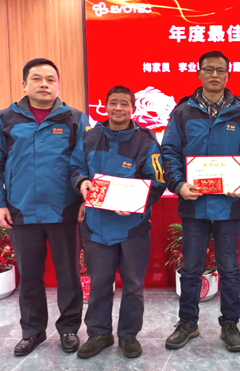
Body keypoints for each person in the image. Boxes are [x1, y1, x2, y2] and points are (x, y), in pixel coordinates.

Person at [0, 58, 89, 356]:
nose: (44, 84)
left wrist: (85, 200)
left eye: (50, 79)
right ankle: (32, 331)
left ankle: (68, 329)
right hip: (21, 211)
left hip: (64, 210)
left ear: (58, 85)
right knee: (29, 277)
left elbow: (86, 163)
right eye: (37, 79)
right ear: (24, 84)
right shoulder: (5, 119)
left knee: (69, 276)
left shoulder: (75, 119)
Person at [161, 51, 240, 352]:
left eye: (221, 70)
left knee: (229, 268)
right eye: (209, 69)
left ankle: (230, 323)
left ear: (228, 74)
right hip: (194, 204)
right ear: (199, 73)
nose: (215, 75)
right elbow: (169, 152)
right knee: (191, 268)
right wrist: (178, 184)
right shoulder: (182, 112)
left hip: (228, 205)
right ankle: (187, 322)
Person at [69, 86, 167, 359]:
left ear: (133, 109)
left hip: (133, 228)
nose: (118, 108)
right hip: (96, 227)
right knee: (99, 284)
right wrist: (82, 182)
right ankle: (99, 333)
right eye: (113, 103)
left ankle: (128, 335)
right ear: (106, 106)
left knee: (133, 285)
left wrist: (137, 203)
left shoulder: (146, 141)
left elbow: (158, 179)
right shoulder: (90, 137)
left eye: (125, 103)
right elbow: (75, 167)